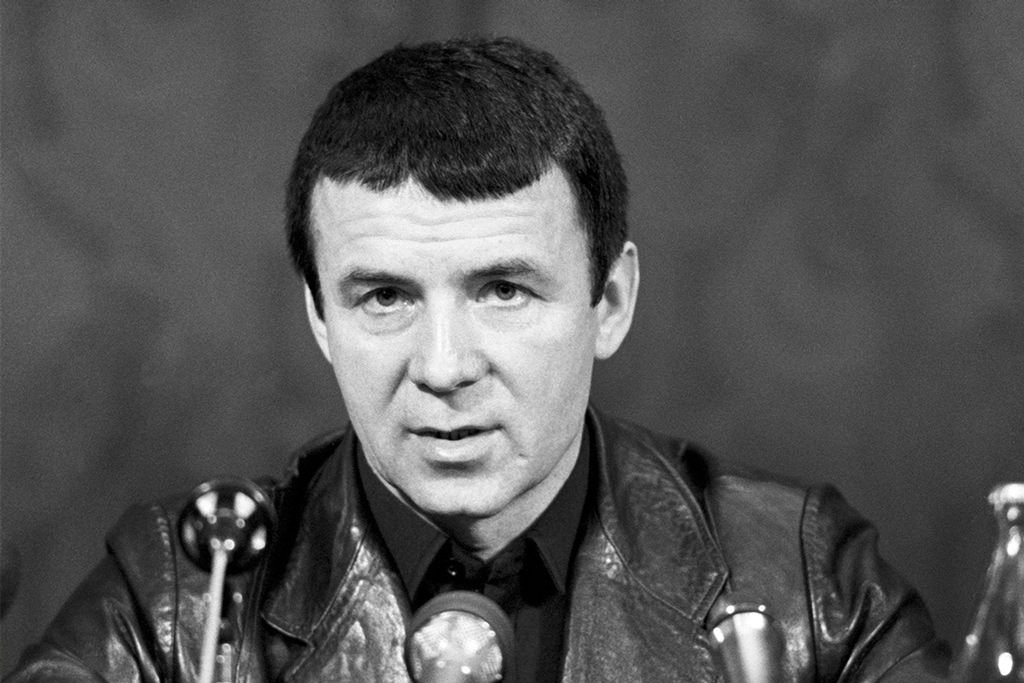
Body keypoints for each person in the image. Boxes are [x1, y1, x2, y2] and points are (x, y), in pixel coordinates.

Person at [7, 37, 949, 683]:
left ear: (610, 301)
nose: (445, 366)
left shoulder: (808, 583)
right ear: (320, 317)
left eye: (503, 290)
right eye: (385, 297)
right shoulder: (179, 594)